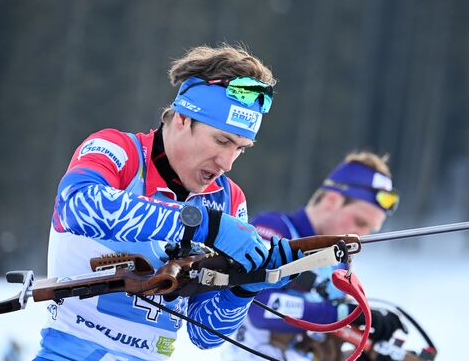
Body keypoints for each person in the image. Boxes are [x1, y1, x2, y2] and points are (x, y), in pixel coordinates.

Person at [34, 44, 300, 361]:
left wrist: (247, 285)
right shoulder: (119, 151)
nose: (227, 162)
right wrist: (201, 224)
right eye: (222, 140)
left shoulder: (229, 200)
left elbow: (204, 333)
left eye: (241, 148)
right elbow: (78, 206)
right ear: (183, 119)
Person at [223, 151, 405, 361]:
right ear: (331, 200)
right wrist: (346, 313)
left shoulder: (339, 259)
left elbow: (319, 336)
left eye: (370, 229)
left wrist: (361, 349)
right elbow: (260, 305)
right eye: (359, 222)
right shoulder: (273, 230)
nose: (361, 236)